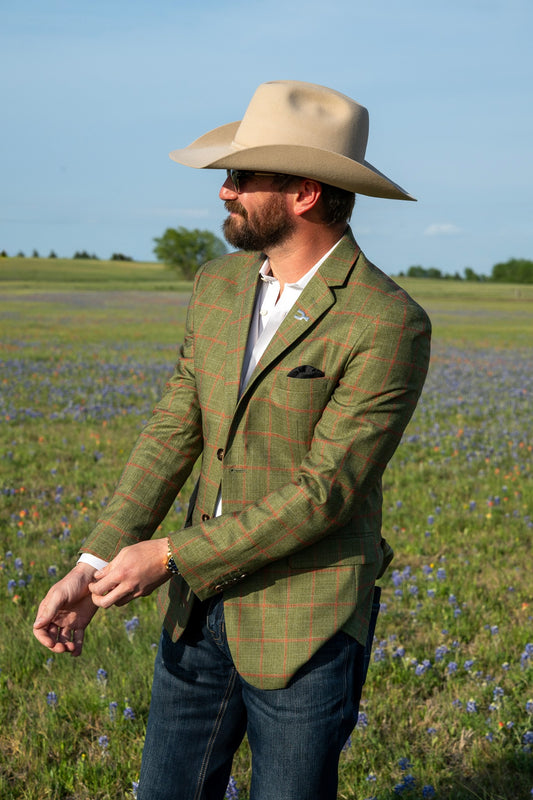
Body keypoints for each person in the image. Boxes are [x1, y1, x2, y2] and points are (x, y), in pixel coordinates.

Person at [34, 80, 431, 800]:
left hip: (304, 619)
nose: (224, 192)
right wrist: (93, 563)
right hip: (195, 611)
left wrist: (170, 553)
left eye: (240, 176)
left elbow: (324, 494)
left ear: (304, 192)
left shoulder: (384, 320)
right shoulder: (217, 285)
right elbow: (173, 428)